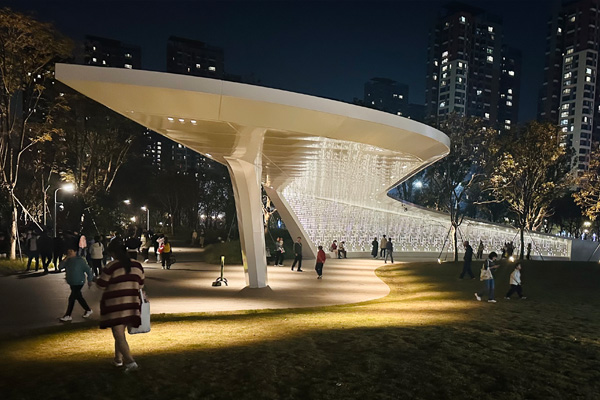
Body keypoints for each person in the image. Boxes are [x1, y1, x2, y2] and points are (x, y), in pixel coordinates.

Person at [96, 240, 145, 373]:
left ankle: (130, 362)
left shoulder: (111, 266)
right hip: (132, 304)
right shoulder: (137, 265)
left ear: (113, 253)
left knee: (118, 334)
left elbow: (101, 285)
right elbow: (141, 284)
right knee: (120, 334)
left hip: (115, 305)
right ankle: (118, 359)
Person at [59, 247, 94, 322]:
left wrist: (90, 280)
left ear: (75, 252)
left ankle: (68, 315)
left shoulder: (80, 261)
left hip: (79, 282)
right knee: (79, 297)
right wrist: (65, 259)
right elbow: (60, 267)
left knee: (72, 298)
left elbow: (88, 270)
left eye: (71, 251)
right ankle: (88, 310)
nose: (69, 252)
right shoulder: (68, 260)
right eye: (68, 251)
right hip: (71, 282)